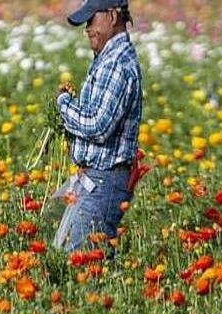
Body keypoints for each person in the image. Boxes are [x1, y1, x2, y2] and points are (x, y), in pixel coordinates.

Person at [51, 0, 143, 256]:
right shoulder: (107, 59)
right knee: (73, 256)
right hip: (95, 178)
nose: (87, 28)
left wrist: (63, 104)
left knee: (81, 263)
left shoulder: (116, 64)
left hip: (104, 181)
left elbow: (97, 126)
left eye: (91, 20)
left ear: (113, 16)